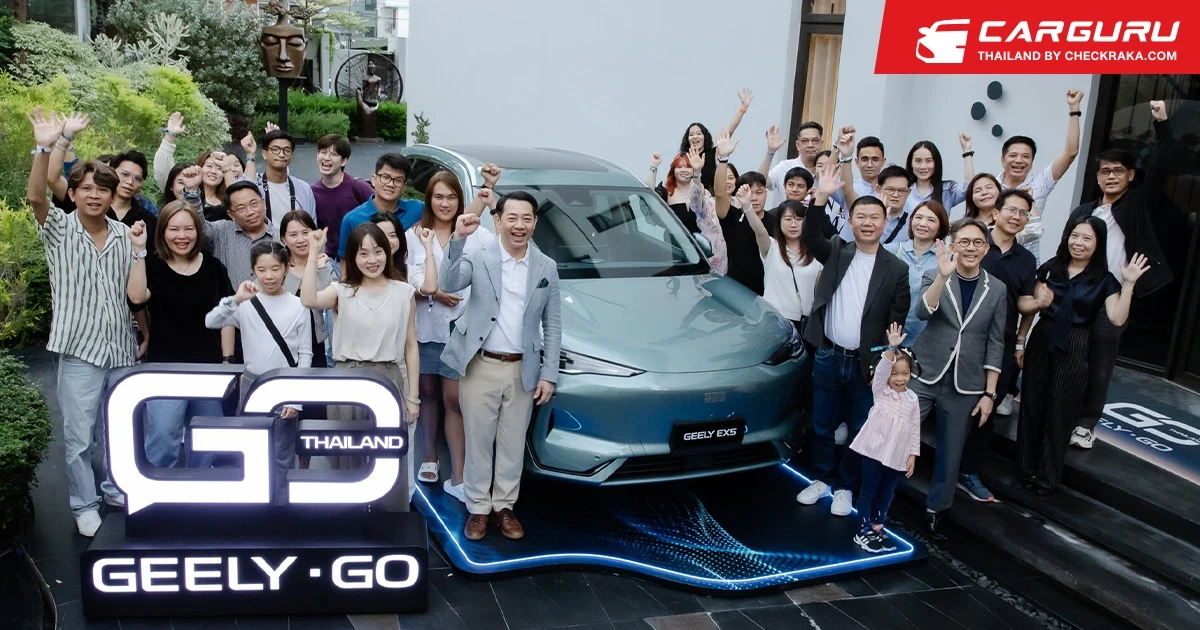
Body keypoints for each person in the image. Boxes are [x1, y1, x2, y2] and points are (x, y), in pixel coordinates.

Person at [27, 107, 135, 536]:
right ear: (72, 194)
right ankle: (83, 504)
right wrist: (46, 147)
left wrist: (142, 334)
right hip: (79, 350)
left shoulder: (124, 233)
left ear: (112, 196)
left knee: (117, 429)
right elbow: (37, 196)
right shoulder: (59, 228)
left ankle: (113, 488)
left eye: (102, 189)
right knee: (79, 437)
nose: (94, 195)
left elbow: (133, 292)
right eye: (86, 188)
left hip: (121, 347)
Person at [439, 191, 562, 541]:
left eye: (526, 218)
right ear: (498, 220)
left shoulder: (546, 266)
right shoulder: (480, 255)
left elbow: (553, 324)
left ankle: (504, 506)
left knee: (512, 444)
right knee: (478, 440)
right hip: (481, 364)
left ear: (535, 222)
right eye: (512, 218)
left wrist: (549, 374)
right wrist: (457, 240)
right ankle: (478, 508)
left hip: (524, 368)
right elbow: (448, 284)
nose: (519, 225)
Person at [794, 159, 911, 517]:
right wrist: (820, 198)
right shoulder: (837, 251)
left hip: (867, 364)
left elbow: (896, 320)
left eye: (875, 217)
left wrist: (883, 360)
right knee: (822, 424)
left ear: (885, 222)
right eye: (860, 216)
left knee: (860, 427)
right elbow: (810, 236)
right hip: (828, 356)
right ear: (851, 220)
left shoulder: (897, 268)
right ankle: (821, 477)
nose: (867, 222)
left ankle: (845, 485)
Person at [301, 224, 436, 507]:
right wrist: (313, 252)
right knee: (346, 455)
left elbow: (410, 346)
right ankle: (349, 517)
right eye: (363, 253)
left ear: (387, 252)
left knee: (389, 456)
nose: (371, 260)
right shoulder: (341, 290)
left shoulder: (404, 292)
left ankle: (390, 519)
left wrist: (413, 397)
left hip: (388, 377)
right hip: (347, 378)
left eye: (377, 252)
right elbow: (309, 299)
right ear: (353, 257)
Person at [1065, 100, 1174, 449]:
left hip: (1112, 297)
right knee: (1070, 359)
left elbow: (1161, 167)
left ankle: (1086, 424)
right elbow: (1066, 250)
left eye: (1117, 171)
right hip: (1078, 293)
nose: (1110, 176)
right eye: (1104, 171)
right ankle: (1062, 414)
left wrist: (1162, 124)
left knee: (1099, 365)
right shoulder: (1084, 211)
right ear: (1097, 177)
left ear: (1130, 176)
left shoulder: (1137, 205)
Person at [1018, 217, 1148, 494]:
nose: (1078, 243)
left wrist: (1128, 285)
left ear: (1098, 244)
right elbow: (1030, 304)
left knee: (1061, 409)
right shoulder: (1051, 267)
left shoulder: (1105, 280)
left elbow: (1116, 318)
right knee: (1032, 403)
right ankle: (1027, 469)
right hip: (1043, 335)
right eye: (1074, 236)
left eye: (1087, 238)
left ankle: (1047, 478)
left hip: (1076, 340)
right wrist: (1021, 341)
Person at [910, 218, 1007, 540]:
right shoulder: (934, 274)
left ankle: (936, 510)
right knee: (898, 433)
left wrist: (989, 394)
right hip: (926, 371)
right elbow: (923, 312)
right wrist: (942, 276)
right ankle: (878, 496)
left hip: (966, 382)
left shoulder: (997, 289)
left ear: (986, 249)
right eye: (964, 241)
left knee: (951, 453)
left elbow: (996, 341)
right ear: (952, 246)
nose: (970, 248)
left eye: (977, 242)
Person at [408, 170, 497, 501]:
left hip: (461, 329)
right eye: (438, 197)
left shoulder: (477, 234)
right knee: (427, 393)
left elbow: (497, 261)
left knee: (453, 399)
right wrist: (435, 292)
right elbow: (406, 281)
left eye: (451, 197)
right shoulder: (415, 235)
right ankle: (430, 457)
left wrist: (492, 196)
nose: (444, 204)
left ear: (460, 200)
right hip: (427, 326)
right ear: (428, 200)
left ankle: (458, 476)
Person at [127, 201, 235, 469]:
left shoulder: (214, 267)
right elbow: (137, 298)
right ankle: (155, 489)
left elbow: (228, 316)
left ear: (198, 231)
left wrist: (227, 359)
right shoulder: (153, 267)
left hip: (208, 368)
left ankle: (200, 489)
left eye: (188, 229)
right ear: (162, 231)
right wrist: (138, 251)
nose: (182, 236)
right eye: (174, 229)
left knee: (208, 440)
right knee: (164, 438)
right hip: (165, 368)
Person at [205, 242, 312, 504]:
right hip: (252, 383)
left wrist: (296, 398)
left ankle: (280, 507)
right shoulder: (245, 303)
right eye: (262, 269)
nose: (269, 276)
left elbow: (305, 354)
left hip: (284, 385)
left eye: (275, 268)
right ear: (253, 270)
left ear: (287, 268)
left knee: (281, 453)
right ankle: (253, 506)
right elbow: (211, 321)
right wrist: (236, 298)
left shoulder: (299, 305)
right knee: (250, 448)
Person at [962, 189, 1038, 503]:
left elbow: (1023, 303)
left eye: (1023, 213)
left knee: (987, 409)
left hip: (1002, 342)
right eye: (1012, 210)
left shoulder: (1027, 259)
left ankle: (969, 471)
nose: (1017, 217)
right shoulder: (975, 244)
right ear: (996, 212)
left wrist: (1036, 308)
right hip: (965, 338)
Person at [849, 324, 921, 554]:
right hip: (875, 451)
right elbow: (881, 372)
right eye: (895, 373)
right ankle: (863, 530)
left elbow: (915, 428)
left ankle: (877, 526)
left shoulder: (912, 399)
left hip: (897, 456)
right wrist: (891, 349)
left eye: (905, 373)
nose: (900, 379)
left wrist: (913, 454)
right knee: (868, 491)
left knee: (887, 492)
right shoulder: (881, 392)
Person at [996, 89, 1085, 258]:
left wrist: (1074, 109)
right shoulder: (991, 186)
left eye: (1025, 156)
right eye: (1013, 155)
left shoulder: (1040, 182)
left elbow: (1070, 152)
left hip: (1025, 263)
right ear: (1002, 160)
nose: (1019, 160)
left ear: (1032, 162)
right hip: (991, 259)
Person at [740, 196, 821, 330]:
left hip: (804, 323)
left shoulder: (816, 252)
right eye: (788, 219)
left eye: (799, 219)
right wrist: (747, 206)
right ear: (779, 222)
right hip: (773, 320)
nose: (793, 224)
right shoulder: (772, 247)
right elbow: (760, 231)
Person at [711, 130, 773, 295]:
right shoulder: (732, 216)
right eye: (748, 192)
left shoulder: (776, 220)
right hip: (736, 291)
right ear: (739, 193)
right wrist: (723, 159)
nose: (754, 198)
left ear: (766, 193)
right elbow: (720, 193)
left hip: (768, 294)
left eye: (759, 192)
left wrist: (770, 152)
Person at [338, 153, 424, 271]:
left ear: (404, 186)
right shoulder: (352, 219)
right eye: (385, 177)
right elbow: (345, 261)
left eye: (398, 180)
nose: (390, 184)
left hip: (408, 278)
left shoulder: (417, 209)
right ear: (374, 179)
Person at [885, 201, 951, 342]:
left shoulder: (947, 259)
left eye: (931, 220)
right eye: (918, 217)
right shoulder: (893, 251)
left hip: (928, 340)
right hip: (890, 337)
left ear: (940, 227)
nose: (922, 223)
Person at [204, 179, 279, 288]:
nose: (250, 212)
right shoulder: (222, 231)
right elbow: (197, 227)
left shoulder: (281, 237)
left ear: (263, 203)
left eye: (254, 204)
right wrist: (192, 192)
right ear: (231, 214)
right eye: (241, 208)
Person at [280, 210, 332, 368]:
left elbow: (330, 300)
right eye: (293, 235)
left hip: (316, 342)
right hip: (284, 341)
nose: (301, 240)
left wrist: (320, 269)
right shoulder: (277, 267)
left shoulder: (324, 264)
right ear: (283, 239)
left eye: (305, 233)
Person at [311, 134, 374, 259]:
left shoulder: (358, 186)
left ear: (343, 161)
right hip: (332, 259)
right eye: (322, 152)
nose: (326, 158)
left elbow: (382, 212)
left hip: (361, 257)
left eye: (333, 154)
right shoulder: (312, 192)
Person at [679, 89, 754, 192]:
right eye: (691, 135)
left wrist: (743, 108)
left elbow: (729, 132)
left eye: (699, 134)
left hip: (710, 199)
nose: (695, 137)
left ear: (705, 137)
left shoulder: (712, 154)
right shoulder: (683, 158)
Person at [257, 128, 316, 233]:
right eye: (275, 149)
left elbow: (312, 225)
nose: (281, 154)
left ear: (292, 155)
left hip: (297, 242)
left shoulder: (303, 188)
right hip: (262, 243)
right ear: (264, 154)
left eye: (287, 150)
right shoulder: (255, 186)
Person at [681, 148, 730, 274]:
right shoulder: (708, 203)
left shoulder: (741, 204)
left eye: (731, 178)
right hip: (713, 265)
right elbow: (695, 198)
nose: (727, 181)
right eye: (723, 178)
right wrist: (697, 173)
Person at [964, 173, 1043, 244]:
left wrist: (1028, 199)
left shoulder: (1009, 221)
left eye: (989, 187)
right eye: (977, 190)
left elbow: (1035, 231)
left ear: (999, 191)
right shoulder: (965, 225)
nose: (984, 192)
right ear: (971, 197)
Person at [903, 136, 975, 214]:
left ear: (936, 163)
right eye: (918, 161)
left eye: (928, 161)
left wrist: (967, 151)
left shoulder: (947, 190)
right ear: (911, 163)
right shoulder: (902, 190)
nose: (923, 166)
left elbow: (969, 188)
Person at [765, 121, 823, 208]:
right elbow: (762, 182)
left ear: (821, 143)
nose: (810, 145)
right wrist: (770, 152)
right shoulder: (785, 166)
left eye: (815, 141)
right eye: (805, 141)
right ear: (797, 145)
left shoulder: (830, 171)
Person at [648, 152, 701, 234]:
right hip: (675, 241)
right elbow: (648, 195)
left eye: (688, 166)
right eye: (679, 167)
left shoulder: (702, 193)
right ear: (673, 170)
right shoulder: (666, 193)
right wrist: (654, 166)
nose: (683, 170)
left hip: (701, 241)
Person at [876, 166, 917, 246]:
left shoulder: (914, 221)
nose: (895, 195)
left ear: (908, 193)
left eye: (901, 191)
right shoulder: (866, 216)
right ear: (879, 189)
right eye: (890, 189)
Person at [371, 212, 410, 280]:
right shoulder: (365, 270)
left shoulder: (410, 271)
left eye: (392, 235)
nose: (387, 241)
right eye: (381, 235)